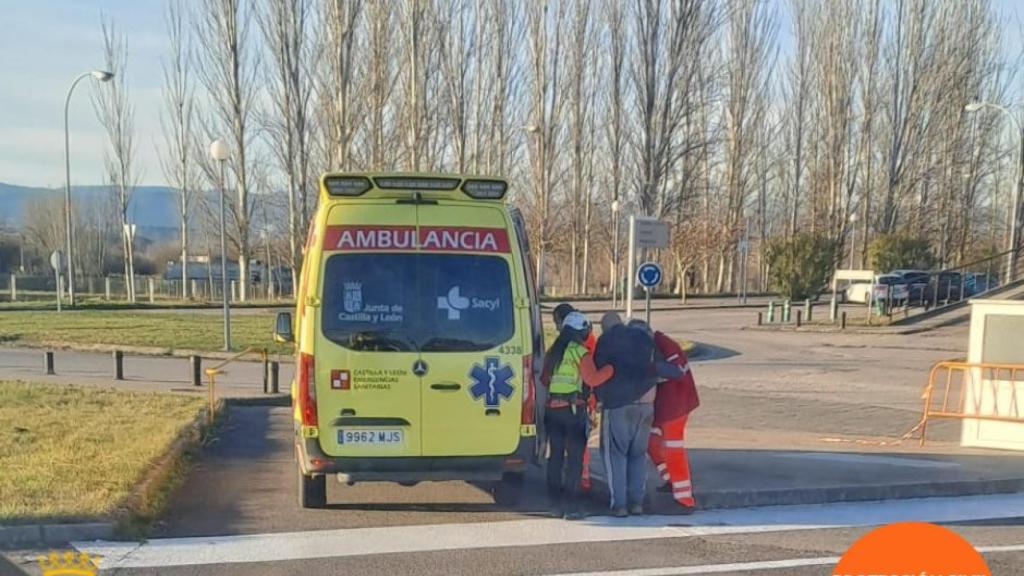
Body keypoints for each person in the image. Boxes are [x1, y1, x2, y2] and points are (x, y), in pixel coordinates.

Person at [590, 313, 681, 517]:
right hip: (647, 405)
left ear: (605, 328)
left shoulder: (606, 340)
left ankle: (619, 505)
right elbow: (659, 367)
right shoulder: (642, 338)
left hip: (619, 406)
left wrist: (599, 399)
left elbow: (599, 371)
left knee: (616, 455)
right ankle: (637, 503)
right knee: (638, 455)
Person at [540, 311, 613, 519]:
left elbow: (545, 380)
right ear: (583, 331)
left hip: (552, 410)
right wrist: (611, 369)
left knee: (555, 458)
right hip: (573, 412)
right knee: (574, 461)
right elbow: (593, 379)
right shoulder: (580, 352)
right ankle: (570, 507)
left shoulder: (553, 351)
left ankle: (553, 505)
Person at [648, 330, 700, 510]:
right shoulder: (662, 345)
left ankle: (684, 498)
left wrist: (650, 368)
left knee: (673, 449)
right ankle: (671, 481)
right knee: (651, 442)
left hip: (674, 407)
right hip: (666, 406)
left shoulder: (663, 346)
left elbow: (675, 372)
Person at [551, 303, 598, 491]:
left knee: (576, 445)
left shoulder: (580, 343)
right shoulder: (583, 337)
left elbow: (590, 373)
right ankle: (579, 478)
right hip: (578, 398)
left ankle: (581, 479)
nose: (556, 327)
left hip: (580, 398)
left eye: (557, 322)